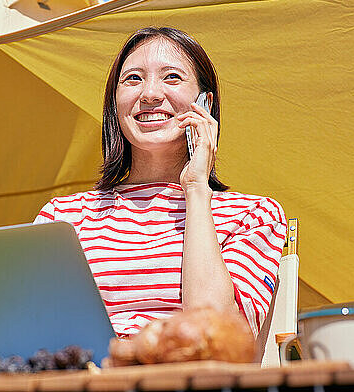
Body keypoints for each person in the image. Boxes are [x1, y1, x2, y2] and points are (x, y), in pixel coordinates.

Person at [34, 27, 287, 339]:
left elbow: (215, 334)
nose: (150, 94)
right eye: (133, 79)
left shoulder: (252, 215)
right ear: (114, 104)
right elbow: (33, 328)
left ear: (205, 103)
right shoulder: (63, 217)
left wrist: (196, 189)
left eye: (172, 77)